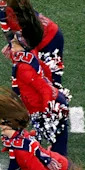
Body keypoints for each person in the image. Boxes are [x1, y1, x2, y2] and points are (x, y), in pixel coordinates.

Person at [6, 27, 70, 156]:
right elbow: (45, 68)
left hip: (50, 106)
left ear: (22, 46)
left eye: (14, 41)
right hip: (49, 103)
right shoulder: (28, 56)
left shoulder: (24, 68)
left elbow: (43, 89)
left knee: (58, 151)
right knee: (50, 141)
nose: (11, 42)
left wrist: (47, 109)